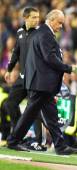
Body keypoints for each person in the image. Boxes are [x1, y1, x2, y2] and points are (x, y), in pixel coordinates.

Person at [6, 9, 77, 155]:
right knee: (30, 113)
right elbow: (49, 58)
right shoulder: (45, 34)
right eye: (59, 23)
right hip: (40, 83)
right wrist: (69, 68)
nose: (61, 26)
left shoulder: (43, 33)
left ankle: (60, 146)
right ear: (51, 20)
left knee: (51, 115)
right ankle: (13, 141)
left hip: (42, 83)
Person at [3, 6, 47, 151]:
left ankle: (37, 141)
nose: (37, 20)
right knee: (10, 104)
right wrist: (9, 69)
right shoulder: (20, 32)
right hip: (22, 77)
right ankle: (18, 136)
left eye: (38, 17)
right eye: (33, 17)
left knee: (33, 109)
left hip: (35, 78)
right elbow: (16, 52)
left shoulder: (41, 33)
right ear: (25, 18)